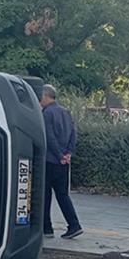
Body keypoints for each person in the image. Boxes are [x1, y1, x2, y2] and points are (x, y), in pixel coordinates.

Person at [40, 84, 83, 240]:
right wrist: (68, 154)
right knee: (63, 195)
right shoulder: (66, 112)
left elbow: (49, 137)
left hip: (50, 160)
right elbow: (73, 134)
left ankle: (47, 228)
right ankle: (74, 225)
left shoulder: (46, 113)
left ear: (46, 96)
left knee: (45, 194)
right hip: (64, 162)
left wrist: (58, 154)